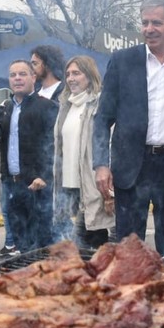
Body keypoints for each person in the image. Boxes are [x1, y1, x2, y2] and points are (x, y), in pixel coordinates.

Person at [93, 0, 164, 256]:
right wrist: (101, 164)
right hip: (131, 166)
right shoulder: (123, 60)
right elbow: (103, 117)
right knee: (129, 248)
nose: (149, 29)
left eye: (156, 23)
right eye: (144, 23)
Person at [53, 55, 115, 248]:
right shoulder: (66, 105)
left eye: (76, 73)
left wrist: (109, 189)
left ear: (89, 75)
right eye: (68, 74)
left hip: (94, 186)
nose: (71, 78)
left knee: (87, 241)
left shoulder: (99, 104)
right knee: (90, 243)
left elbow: (109, 143)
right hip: (71, 187)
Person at [0, 59, 58, 252]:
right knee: (21, 247)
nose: (17, 78)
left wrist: (44, 175)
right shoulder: (6, 109)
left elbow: (54, 145)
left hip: (37, 187)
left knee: (41, 247)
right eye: (13, 75)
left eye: (22, 74)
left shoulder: (47, 107)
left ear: (33, 77)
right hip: (12, 186)